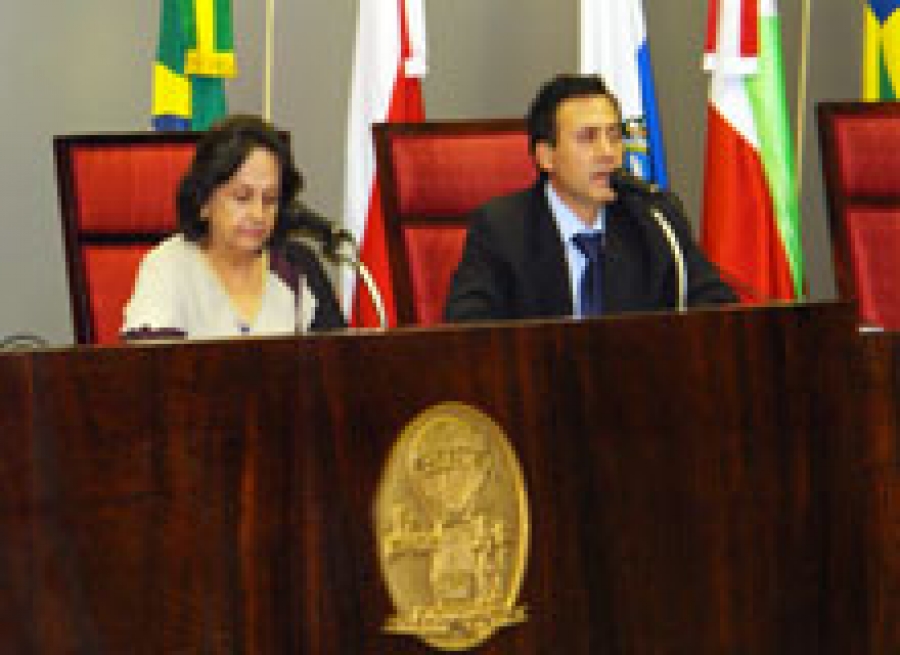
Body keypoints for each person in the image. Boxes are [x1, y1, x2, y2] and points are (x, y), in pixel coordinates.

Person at [443, 74, 736, 322]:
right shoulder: (502, 229)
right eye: (588, 137)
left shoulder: (655, 219)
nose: (608, 153)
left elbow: (717, 310)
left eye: (614, 136)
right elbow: (468, 327)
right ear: (546, 156)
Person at [122, 115, 345, 339]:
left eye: (269, 199)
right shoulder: (168, 267)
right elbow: (151, 360)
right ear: (204, 201)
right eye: (242, 197)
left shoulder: (297, 266)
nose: (258, 214)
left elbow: (340, 358)